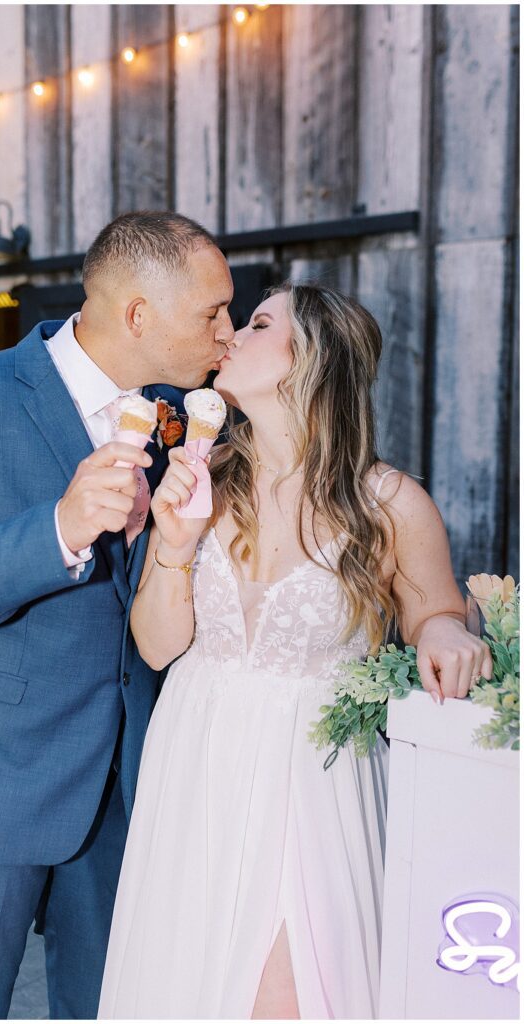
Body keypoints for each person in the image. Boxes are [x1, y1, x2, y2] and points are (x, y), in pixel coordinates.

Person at [0, 210, 234, 1020]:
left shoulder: (185, 419)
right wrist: (58, 531)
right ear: (139, 315)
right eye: (213, 313)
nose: (228, 334)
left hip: (120, 794)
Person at [97, 282, 492, 1020]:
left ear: (309, 357)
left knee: (285, 995)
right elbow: (155, 648)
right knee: (192, 980)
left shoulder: (389, 503)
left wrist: (442, 629)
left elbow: (434, 612)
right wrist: (175, 545)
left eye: (256, 324)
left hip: (311, 782)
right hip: (198, 761)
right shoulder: (201, 477)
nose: (231, 337)